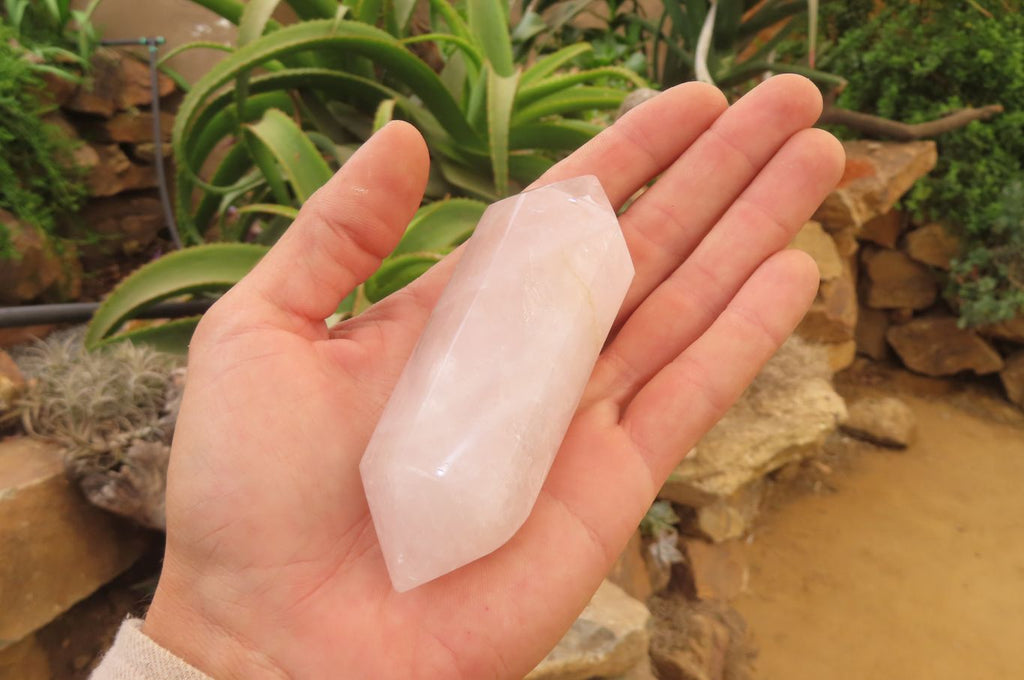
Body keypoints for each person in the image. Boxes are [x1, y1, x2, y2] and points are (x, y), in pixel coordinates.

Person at [91, 74, 843, 679]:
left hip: (446, 517)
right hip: (440, 515)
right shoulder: (557, 245)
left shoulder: (564, 246)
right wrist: (228, 643)